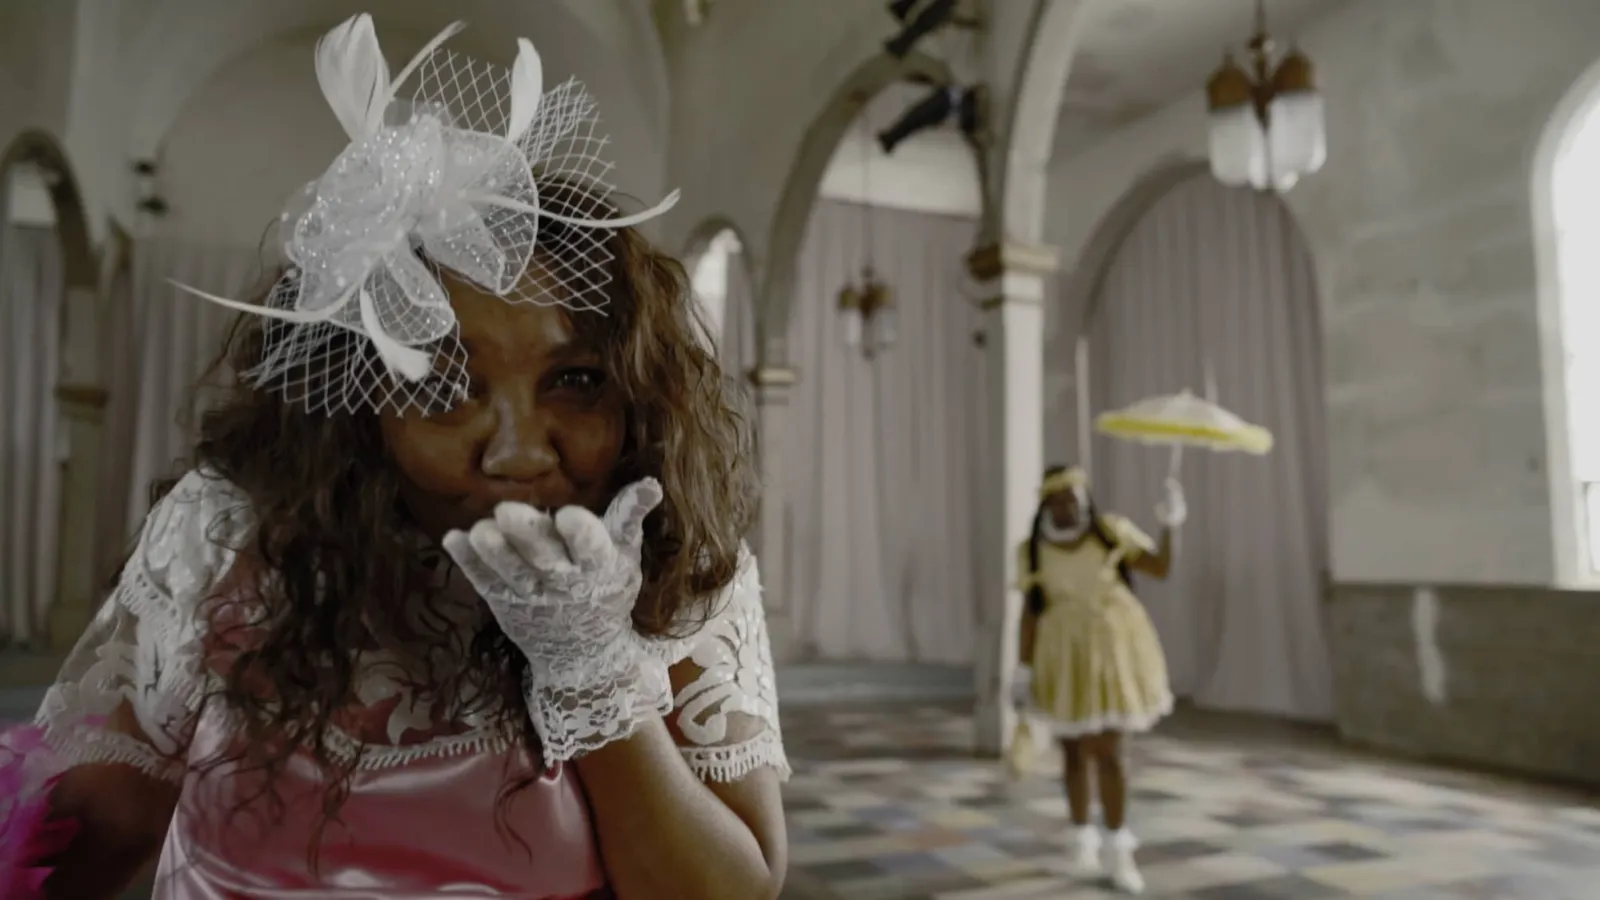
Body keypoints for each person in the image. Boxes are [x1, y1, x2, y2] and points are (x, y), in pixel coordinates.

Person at [16, 14, 788, 899]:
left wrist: (595, 671)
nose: (519, 450)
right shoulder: (228, 537)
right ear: (359, 406)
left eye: (576, 380)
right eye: (438, 383)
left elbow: (734, 889)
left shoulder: (680, 564)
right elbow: (93, 841)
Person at [1016, 464, 1183, 894]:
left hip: (1114, 652)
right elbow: (1031, 612)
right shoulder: (1033, 550)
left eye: (1074, 496)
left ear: (1086, 497)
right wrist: (1022, 669)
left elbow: (1160, 567)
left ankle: (1118, 850)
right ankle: (1080, 840)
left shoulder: (1111, 531)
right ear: (1046, 503)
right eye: (1058, 498)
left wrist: (1171, 524)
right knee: (1073, 753)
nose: (1067, 505)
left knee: (1110, 752)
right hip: (1063, 657)